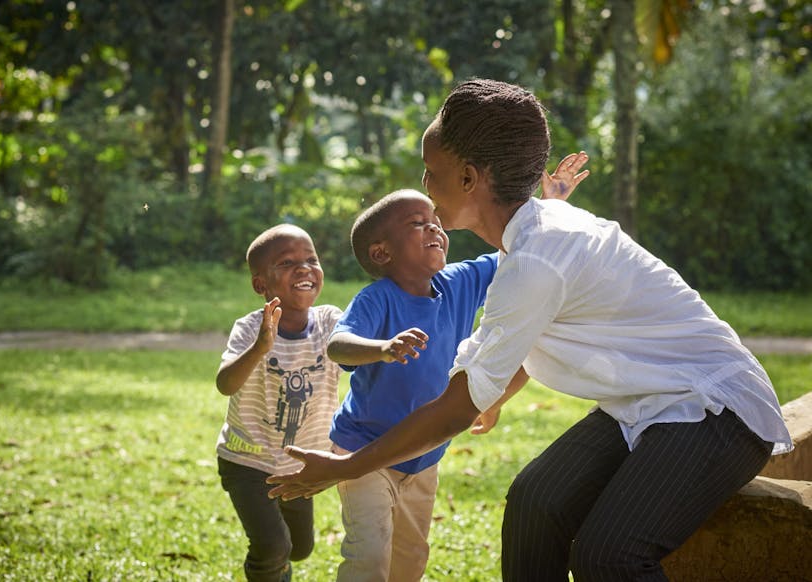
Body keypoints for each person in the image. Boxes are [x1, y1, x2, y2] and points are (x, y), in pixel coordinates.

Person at [267, 79, 793, 582]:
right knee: (534, 501)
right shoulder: (529, 241)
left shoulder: (536, 260)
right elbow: (524, 335)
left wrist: (345, 467)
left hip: (715, 409)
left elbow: (455, 407)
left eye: (431, 172)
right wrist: (496, 389)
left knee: (609, 557)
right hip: (646, 403)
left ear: (469, 179)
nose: (426, 188)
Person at [326, 157, 585, 582]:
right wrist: (382, 348)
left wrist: (548, 204)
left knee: (409, 560)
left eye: (434, 220)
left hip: (425, 457)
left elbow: (516, 249)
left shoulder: (460, 281)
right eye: (416, 223)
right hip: (364, 451)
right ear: (382, 252)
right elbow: (339, 346)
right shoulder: (377, 299)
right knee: (368, 556)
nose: (435, 228)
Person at [215, 224, 343, 582]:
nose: (304, 268)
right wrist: (260, 347)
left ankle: (277, 562)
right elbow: (225, 384)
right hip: (247, 460)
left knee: (299, 547)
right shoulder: (250, 328)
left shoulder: (331, 321)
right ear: (261, 285)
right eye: (287, 263)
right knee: (273, 547)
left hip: (301, 464)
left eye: (311, 259)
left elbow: (355, 349)